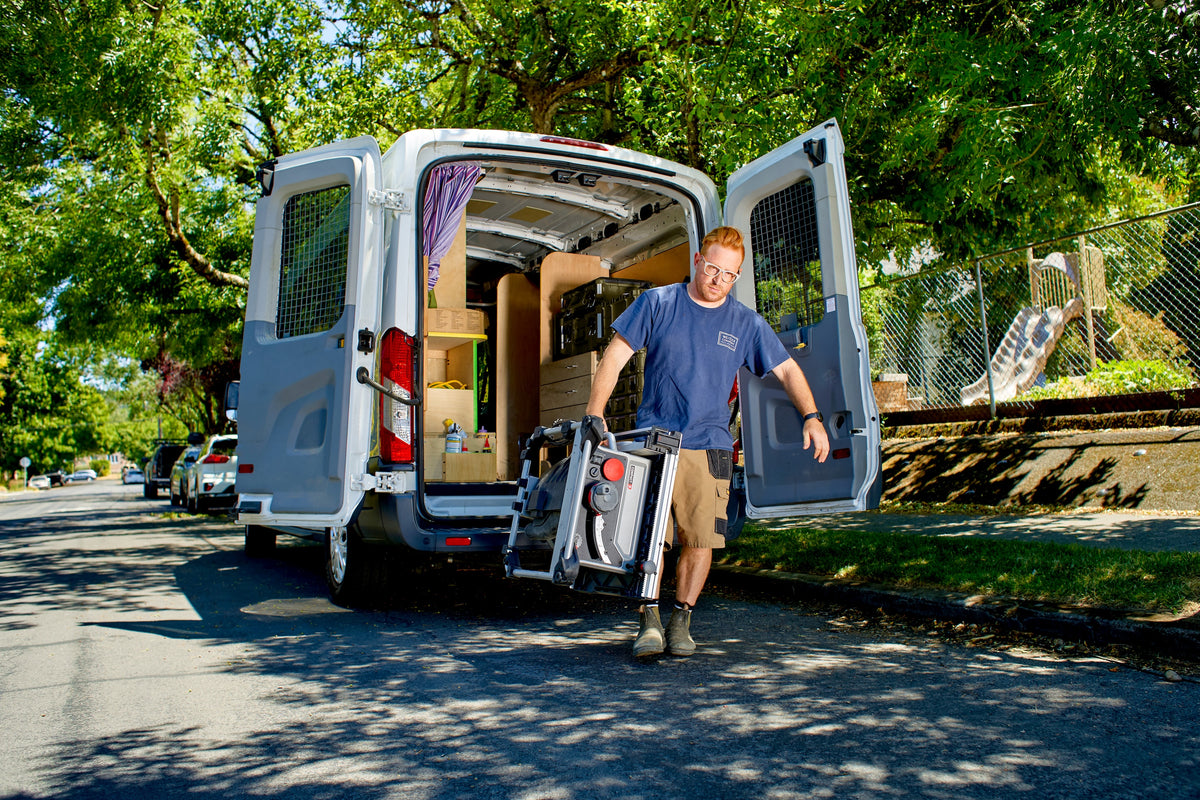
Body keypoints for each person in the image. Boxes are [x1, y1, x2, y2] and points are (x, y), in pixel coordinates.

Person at [585, 226, 830, 658]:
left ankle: (682, 619)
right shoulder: (659, 303)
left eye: (729, 274)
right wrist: (594, 411)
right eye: (713, 268)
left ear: (736, 277)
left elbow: (788, 370)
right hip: (656, 442)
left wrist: (811, 416)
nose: (718, 280)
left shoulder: (745, 322)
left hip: (712, 445)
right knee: (650, 538)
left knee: (700, 541)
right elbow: (617, 353)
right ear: (697, 260)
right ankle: (650, 621)